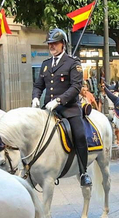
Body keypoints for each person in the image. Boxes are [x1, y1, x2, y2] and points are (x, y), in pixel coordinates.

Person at [33, 28, 93, 188]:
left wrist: (59, 100)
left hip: (69, 108)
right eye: (50, 44)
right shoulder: (46, 64)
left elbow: (76, 86)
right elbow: (38, 85)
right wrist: (35, 97)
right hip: (49, 109)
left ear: (63, 44)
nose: (51, 46)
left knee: (79, 135)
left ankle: (83, 172)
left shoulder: (73, 63)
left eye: (55, 43)